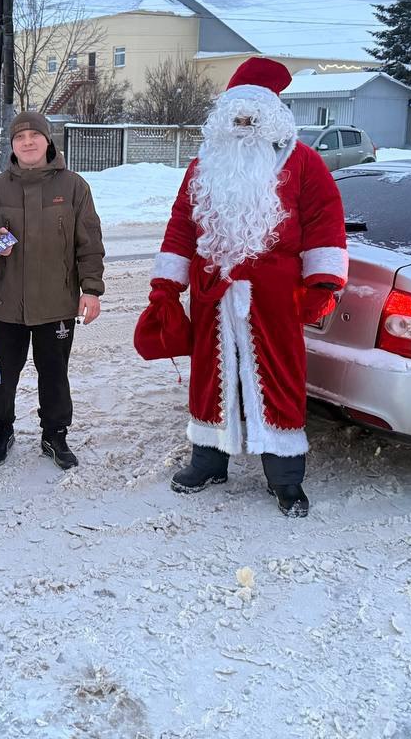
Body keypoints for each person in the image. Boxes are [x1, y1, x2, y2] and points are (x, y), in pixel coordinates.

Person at [134, 57, 347, 517]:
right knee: (210, 378)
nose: (244, 121)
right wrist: (166, 286)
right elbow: (181, 229)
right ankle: (209, 461)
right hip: (212, 294)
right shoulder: (202, 167)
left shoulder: (304, 164)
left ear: (271, 114)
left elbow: (324, 223)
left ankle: (286, 478)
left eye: (253, 113)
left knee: (280, 377)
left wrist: (321, 282)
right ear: (224, 116)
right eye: (237, 113)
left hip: (274, 296)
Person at [0, 111, 105, 470]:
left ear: (48, 141)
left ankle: (55, 434)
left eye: (35, 135)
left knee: (54, 373)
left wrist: (90, 290)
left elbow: (89, 243)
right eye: (20, 137)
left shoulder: (74, 187)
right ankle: (0, 431)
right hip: (5, 302)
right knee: (2, 373)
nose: (28, 142)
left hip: (57, 302)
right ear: (11, 146)